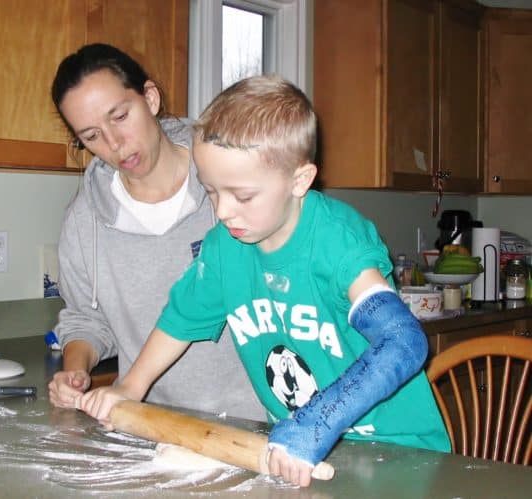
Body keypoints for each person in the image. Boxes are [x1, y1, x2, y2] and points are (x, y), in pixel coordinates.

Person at [77, 75, 451, 486]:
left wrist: (316, 424)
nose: (222, 212)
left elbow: (404, 342)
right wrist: (130, 387)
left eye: (243, 196)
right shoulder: (225, 248)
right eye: (212, 191)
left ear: (299, 180)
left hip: (399, 452)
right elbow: (179, 320)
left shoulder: (338, 242)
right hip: (298, 450)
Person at [47, 43, 265, 422]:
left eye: (119, 116)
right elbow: (86, 317)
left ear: (149, 98)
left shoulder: (231, 184)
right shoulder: (85, 221)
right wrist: (75, 368)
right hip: (151, 423)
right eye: (91, 135)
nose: (114, 144)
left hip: (260, 419)